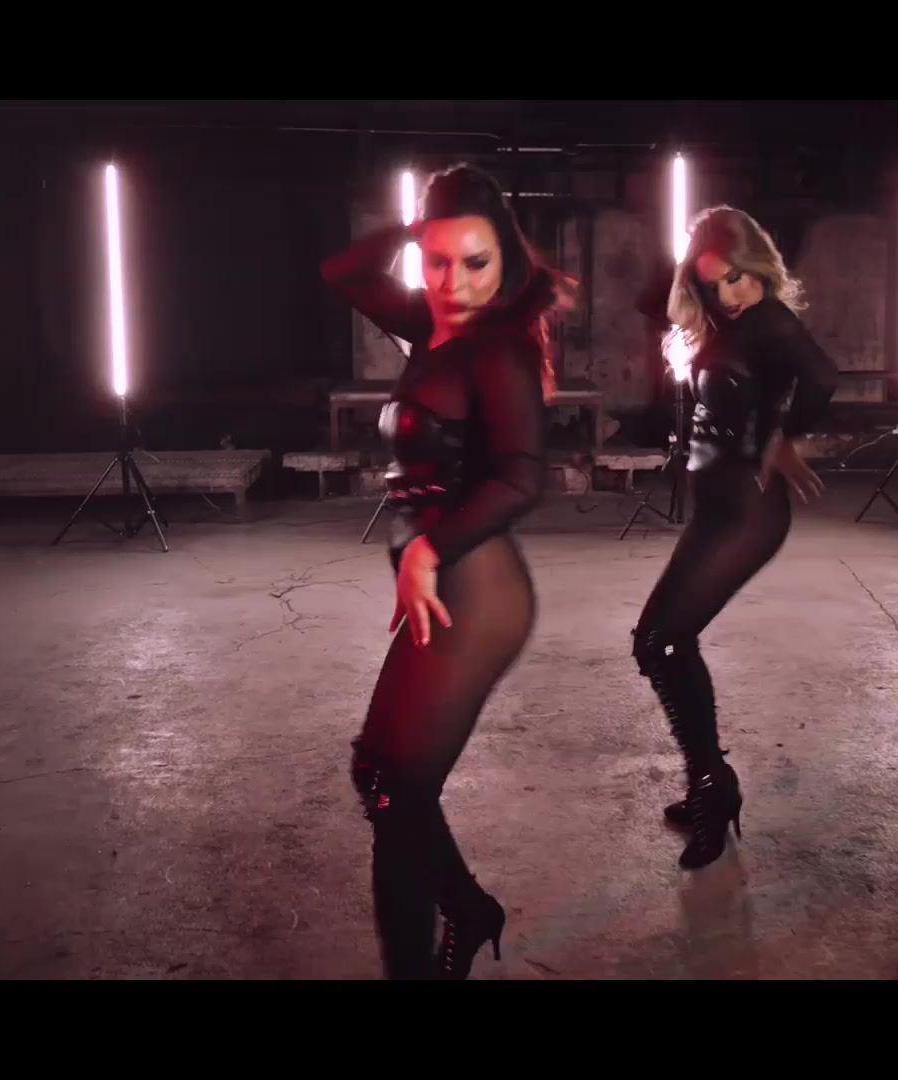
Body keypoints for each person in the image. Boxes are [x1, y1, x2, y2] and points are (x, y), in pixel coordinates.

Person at [320, 164, 568, 979]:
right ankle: (460, 913)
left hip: (476, 586)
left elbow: (522, 480)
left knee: (397, 792)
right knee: (379, 775)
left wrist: (427, 551)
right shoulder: (430, 326)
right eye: (437, 262)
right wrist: (418, 222)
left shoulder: (497, 350)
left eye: (476, 263)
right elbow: (343, 272)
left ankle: (433, 946)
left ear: (507, 262)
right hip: (441, 581)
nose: (455, 284)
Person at [631, 206, 840, 870]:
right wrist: (691, 262)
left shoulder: (770, 320)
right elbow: (653, 298)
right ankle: (711, 784)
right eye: (713, 283)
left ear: (759, 267)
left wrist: (783, 438)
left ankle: (711, 788)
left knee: (662, 640)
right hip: (714, 508)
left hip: (748, 510)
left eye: (738, 278)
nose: (729, 294)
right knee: (660, 641)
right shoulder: (722, 320)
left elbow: (824, 377)